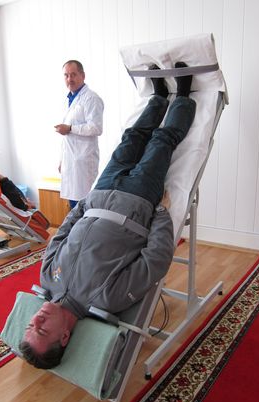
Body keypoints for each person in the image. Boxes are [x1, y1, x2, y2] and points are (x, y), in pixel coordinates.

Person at [20, 62, 196, 369]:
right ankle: (182, 94)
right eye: (42, 329)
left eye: (30, 325)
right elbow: (155, 260)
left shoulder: (48, 278)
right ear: (64, 337)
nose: (37, 319)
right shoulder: (107, 299)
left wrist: (83, 205)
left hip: (100, 192)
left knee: (131, 137)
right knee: (160, 142)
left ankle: (158, 99)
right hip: (137, 200)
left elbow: (60, 235)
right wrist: (160, 213)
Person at [55, 60, 104, 209]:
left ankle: (83, 232)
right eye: (66, 75)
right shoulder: (68, 99)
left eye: (73, 75)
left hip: (83, 161)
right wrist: (62, 160)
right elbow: (66, 137)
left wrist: (70, 128)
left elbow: (96, 128)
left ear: (82, 75)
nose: (70, 79)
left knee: (85, 203)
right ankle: (75, 231)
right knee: (73, 203)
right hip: (70, 160)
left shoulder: (91, 98)